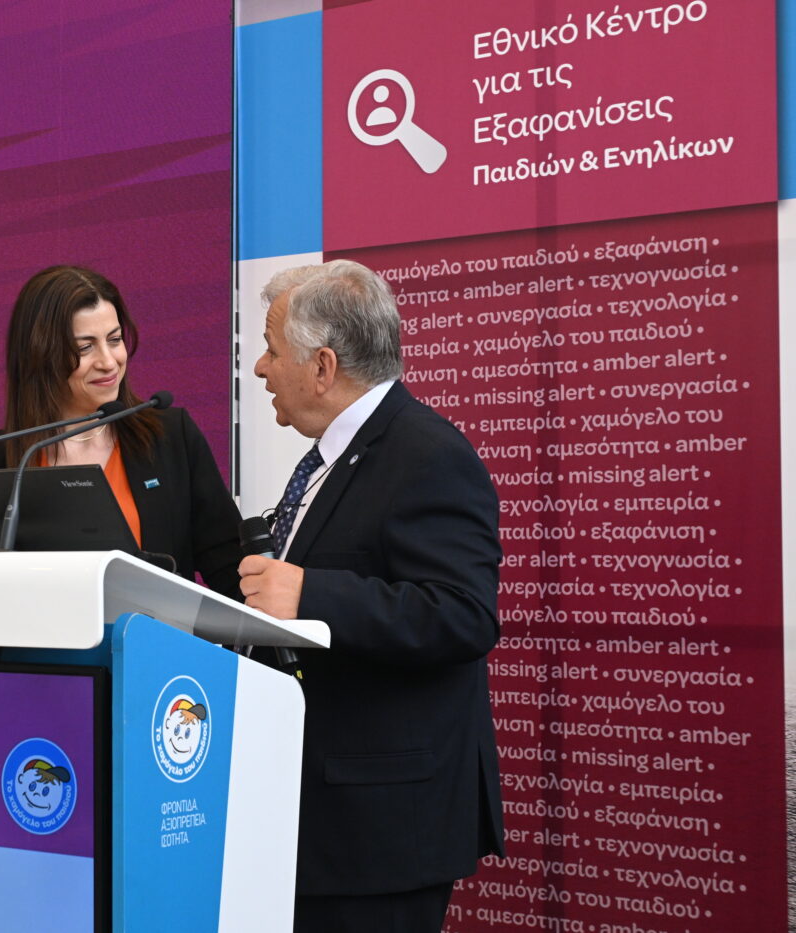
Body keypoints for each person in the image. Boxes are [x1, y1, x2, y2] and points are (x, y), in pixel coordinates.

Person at [239, 260, 504, 932]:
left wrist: (311, 593)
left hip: (381, 833)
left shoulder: (428, 454)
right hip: (324, 821)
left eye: (272, 349)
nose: (261, 369)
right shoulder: (335, 456)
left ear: (322, 366)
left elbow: (464, 615)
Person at [0, 265, 241, 597]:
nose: (109, 361)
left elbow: (230, 567)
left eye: (114, 340)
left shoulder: (171, 436)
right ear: (39, 353)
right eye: (85, 348)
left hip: (152, 631)